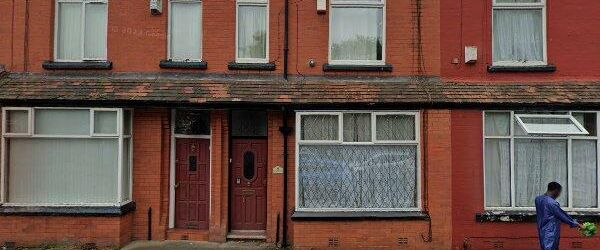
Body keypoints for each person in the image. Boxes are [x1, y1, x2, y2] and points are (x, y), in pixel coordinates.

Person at [535, 182, 585, 250]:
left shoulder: (538, 199)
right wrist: (578, 224)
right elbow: (562, 215)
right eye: (559, 192)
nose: (559, 195)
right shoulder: (552, 203)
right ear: (556, 191)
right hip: (551, 232)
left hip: (542, 230)